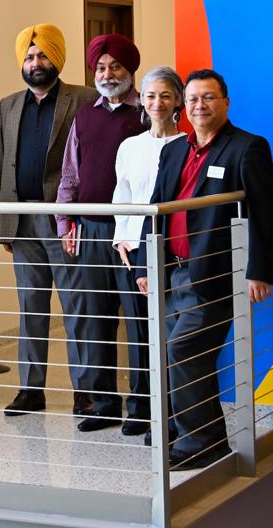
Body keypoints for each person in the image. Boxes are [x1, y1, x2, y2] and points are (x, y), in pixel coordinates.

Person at [135, 69, 273, 469]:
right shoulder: (174, 150)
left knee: (183, 348)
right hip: (172, 271)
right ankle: (186, 429)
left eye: (209, 98)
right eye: (194, 99)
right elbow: (155, 209)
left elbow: (264, 212)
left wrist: (259, 270)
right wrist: (145, 267)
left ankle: (206, 438)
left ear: (226, 102)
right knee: (173, 350)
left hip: (216, 273)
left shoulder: (247, 148)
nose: (200, 106)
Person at [0, 23, 98, 419]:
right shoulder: (7, 104)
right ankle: (30, 389)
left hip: (64, 220)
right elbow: (5, 164)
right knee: (31, 309)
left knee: (77, 307)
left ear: (57, 58)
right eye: (29, 57)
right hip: (22, 222)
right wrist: (5, 223)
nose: (36, 63)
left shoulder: (83, 98)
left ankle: (85, 392)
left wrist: (77, 216)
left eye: (42, 56)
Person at [55, 33, 145, 432]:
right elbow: (70, 174)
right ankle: (103, 402)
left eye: (116, 67)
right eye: (101, 68)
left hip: (132, 235)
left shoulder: (147, 111)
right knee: (95, 319)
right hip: (89, 231)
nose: (108, 74)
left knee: (139, 321)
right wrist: (65, 222)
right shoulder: (84, 115)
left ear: (130, 70)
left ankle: (142, 406)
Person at [110, 66, 185, 436]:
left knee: (170, 333)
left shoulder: (188, 145)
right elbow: (122, 196)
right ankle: (141, 407)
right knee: (138, 333)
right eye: (151, 95)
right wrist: (121, 238)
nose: (157, 103)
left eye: (166, 95)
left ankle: (171, 411)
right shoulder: (130, 146)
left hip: (170, 253)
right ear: (141, 100)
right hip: (131, 250)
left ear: (177, 102)